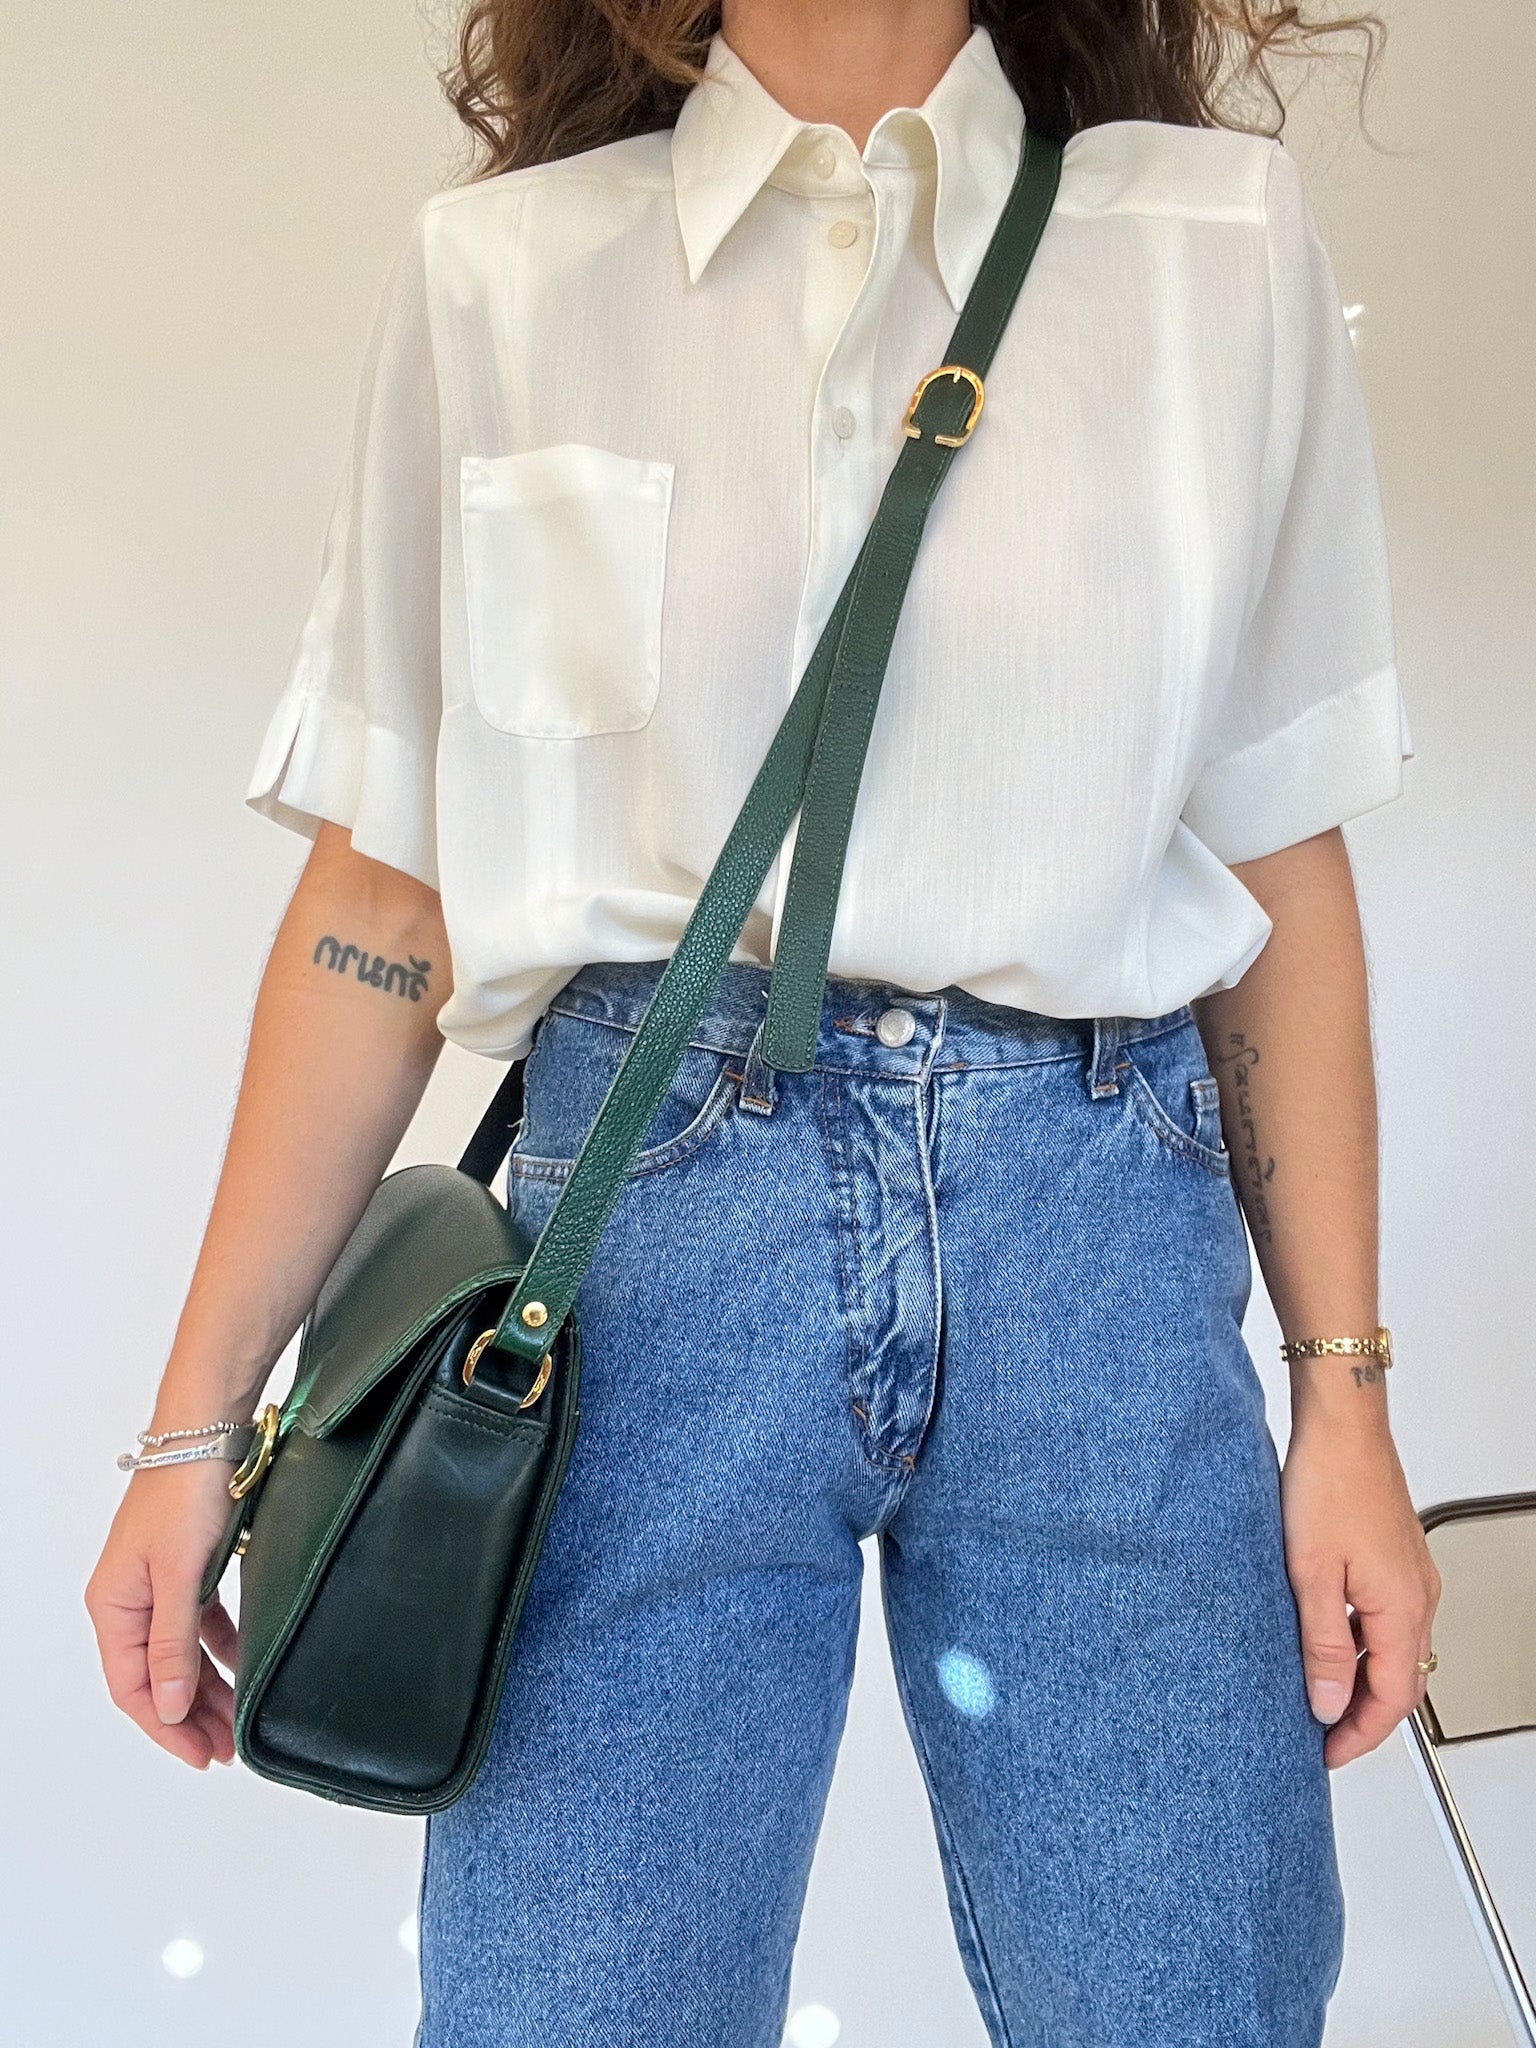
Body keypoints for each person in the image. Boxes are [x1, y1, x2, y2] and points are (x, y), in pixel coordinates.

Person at [86, 2, 1441, 2042]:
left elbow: (1281, 865)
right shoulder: (508, 276)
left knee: (1193, 2003)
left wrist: (1347, 1400)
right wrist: (198, 1425)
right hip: (646, 1249)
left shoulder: (1212, 244)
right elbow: (384, 899)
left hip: (1097, 1224)